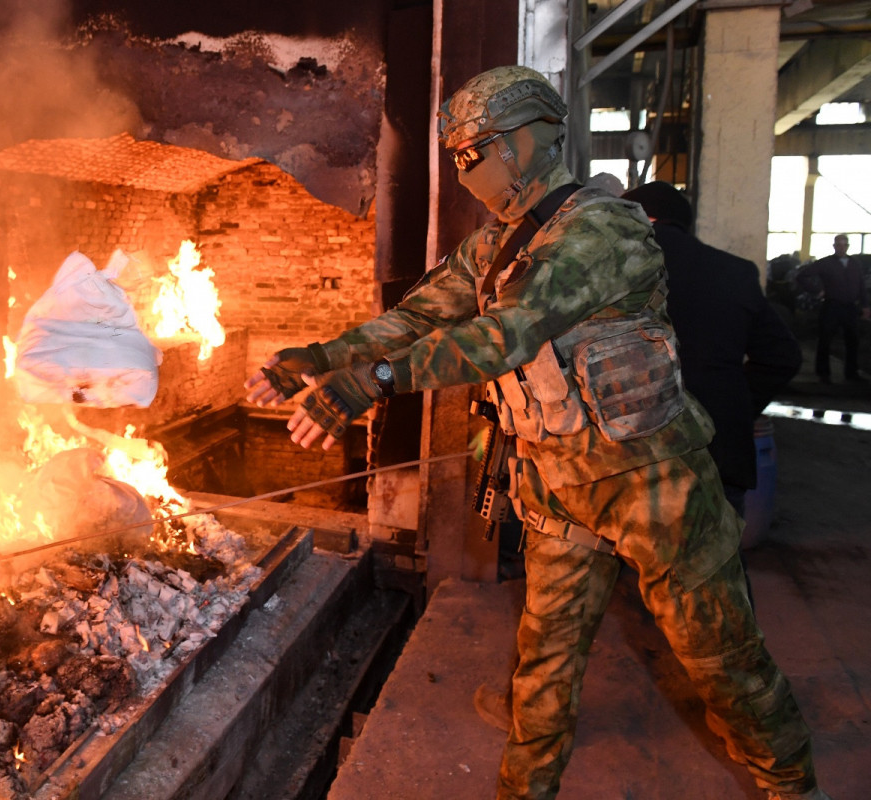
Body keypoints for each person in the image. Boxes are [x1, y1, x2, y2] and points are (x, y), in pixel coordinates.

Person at [244, 65, 826, 800]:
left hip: (653, 481)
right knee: (545, 656)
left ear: (526, 141)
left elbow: (508, 334)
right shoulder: (497, 247)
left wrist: (375, 382)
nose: (465, 172)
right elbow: (420, 316)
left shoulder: (602, 227)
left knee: (720, 654)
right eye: (457, 156)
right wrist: (322, 357)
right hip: (554, 482)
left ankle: (791, 785)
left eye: (473, 152)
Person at [621, 180, 802, 515]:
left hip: (627, 456)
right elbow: (783, 357)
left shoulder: (611, 273)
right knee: (716, 561)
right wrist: (735, 402)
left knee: (625, 560)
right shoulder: (736, 272)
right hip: (717, 449)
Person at [794, 233, 870, 383]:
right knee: (825, 339)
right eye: (838, 245)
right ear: (834, 246)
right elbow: (802, 276)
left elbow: (861, 285)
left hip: (850, 307)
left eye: (844, 245)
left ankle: (852, 373)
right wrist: (817, 290)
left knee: (853, 340)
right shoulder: (825, 263)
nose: (841, 247)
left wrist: (866, 306)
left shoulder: (855, 264)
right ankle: (823, 374)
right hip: (832, 306)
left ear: (847, 246)